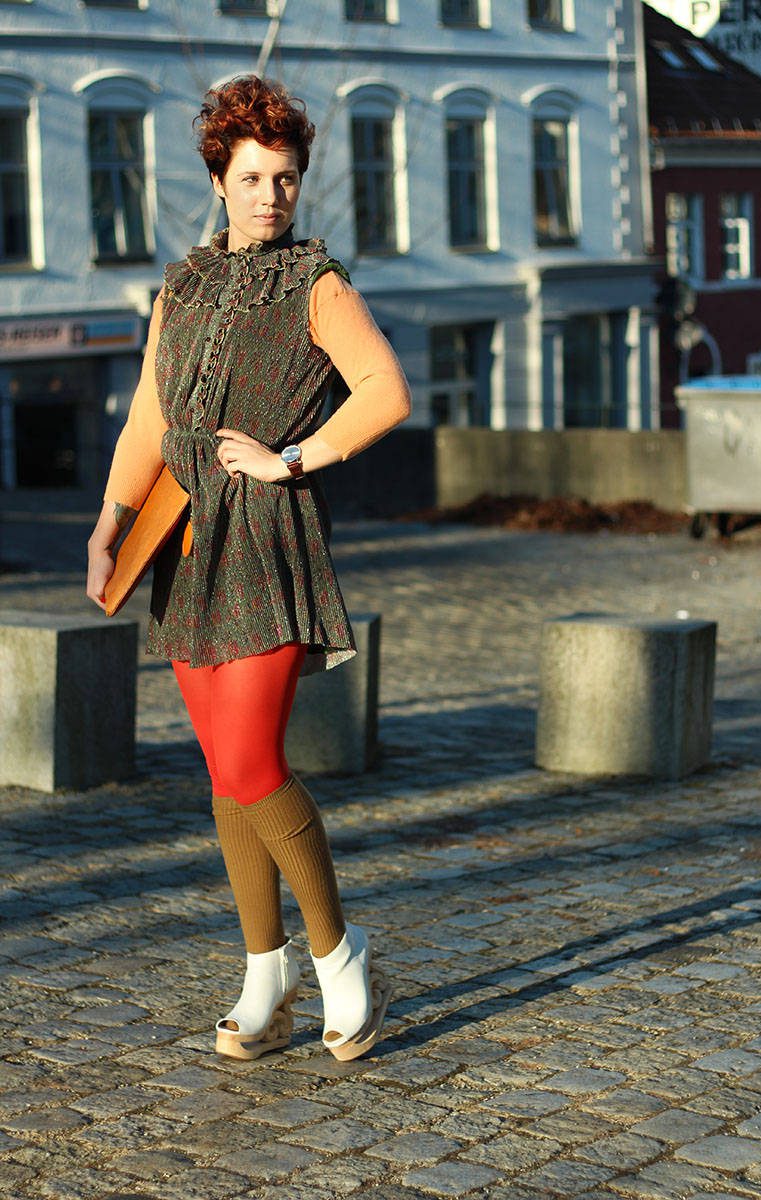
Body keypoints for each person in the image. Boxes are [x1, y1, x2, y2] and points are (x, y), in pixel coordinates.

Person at [86, 75, 411, 1063]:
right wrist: (110, 520)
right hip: (183, 545)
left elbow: (384, 392)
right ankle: (262, 973)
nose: (272, 195)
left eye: (287, 178)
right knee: (224, 780)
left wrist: (290, 458)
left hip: (268, 542)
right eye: (254, 177)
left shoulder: (317, 284)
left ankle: (338, 955)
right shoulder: (180, 288)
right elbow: (150, 415)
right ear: (219, 182)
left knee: (252, 765)